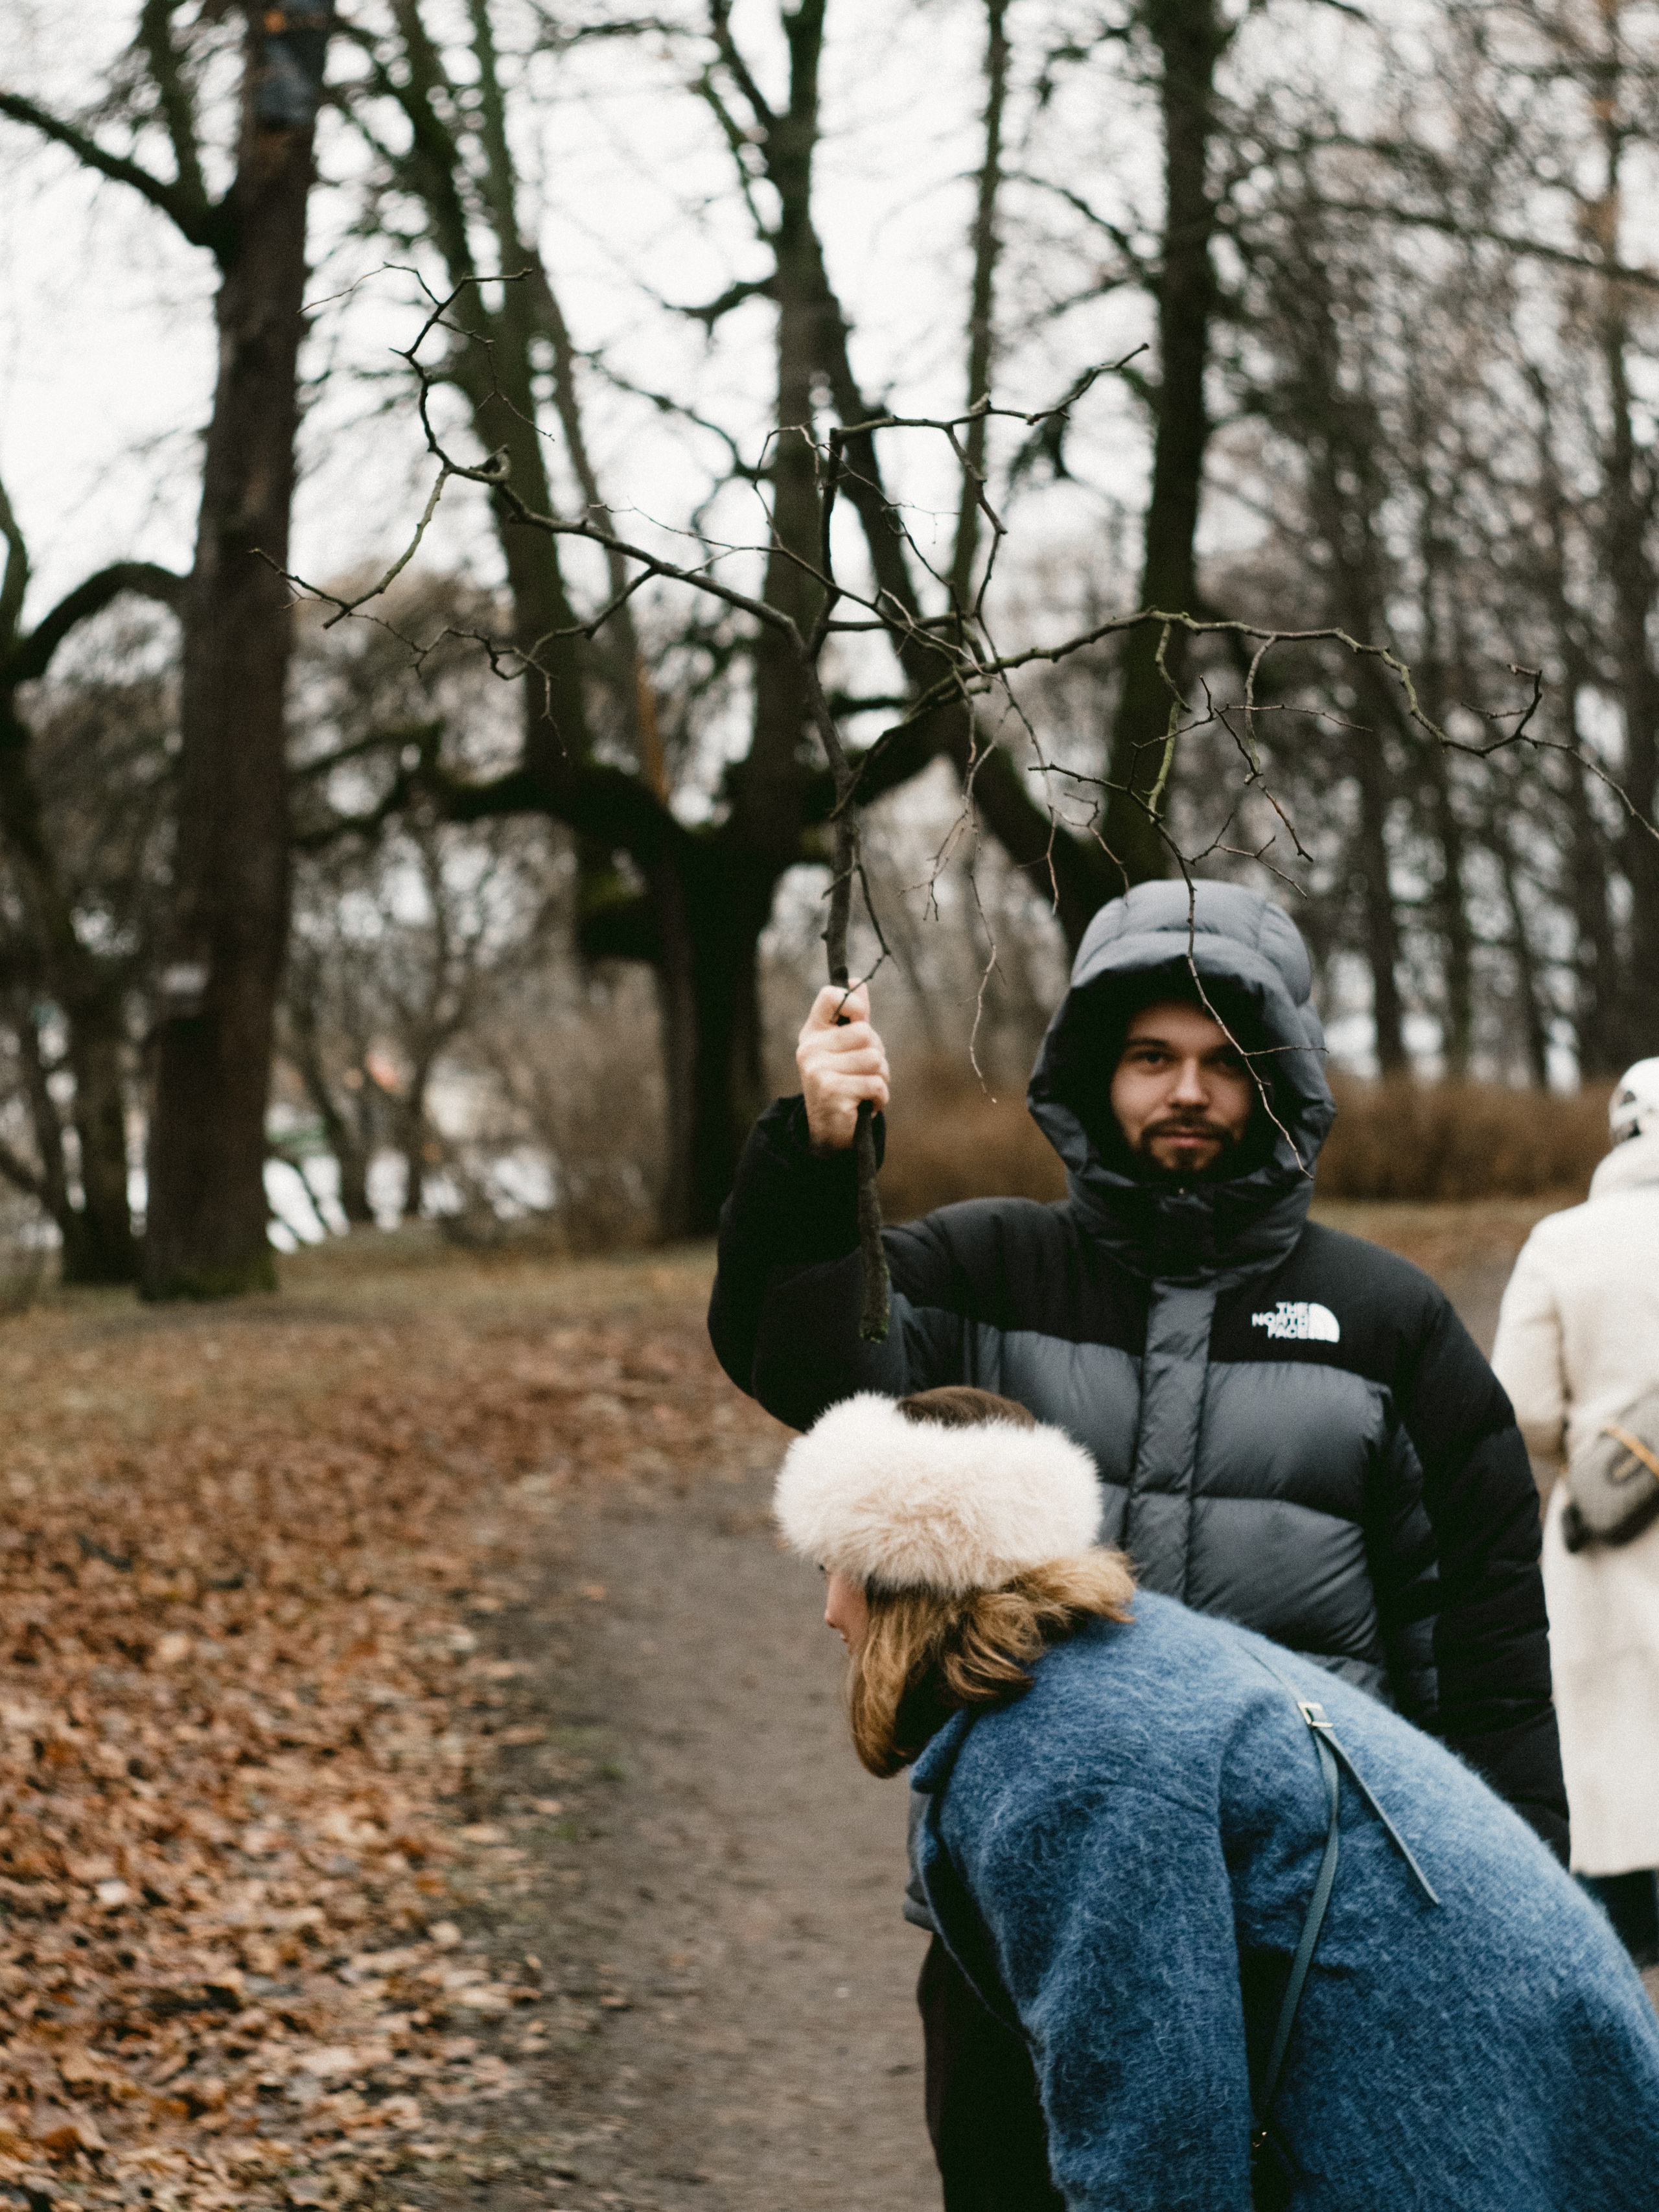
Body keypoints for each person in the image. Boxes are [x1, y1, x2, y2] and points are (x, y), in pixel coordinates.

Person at [709, 878, 1566, 2202]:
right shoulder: (984, 1275)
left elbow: (1484, 1647)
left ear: (1281, 1080)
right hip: (1023, 1915)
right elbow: (809, 1359)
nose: (1186, 1091)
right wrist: (820, 1160)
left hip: (1306, 1930)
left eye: (1228, 1063)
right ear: (1093, 1074)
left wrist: (1519, 1919)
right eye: (1151, 1057)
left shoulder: (1388, 1327)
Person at [775, 1385, 1659, 2212]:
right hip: (1537, 2061)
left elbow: (1154, 2128)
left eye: (836, 1566)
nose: (828, 1609)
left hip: (1462, 2104)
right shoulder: (1107, 1668)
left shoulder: (1061, 1752)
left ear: (902, 1579)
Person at [1491, 1056, 1659, 1969]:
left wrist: (1589, 1448)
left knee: (1618, 1760)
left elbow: (1518, 1401)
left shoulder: (1565, 1241)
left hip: (1608, 1531)